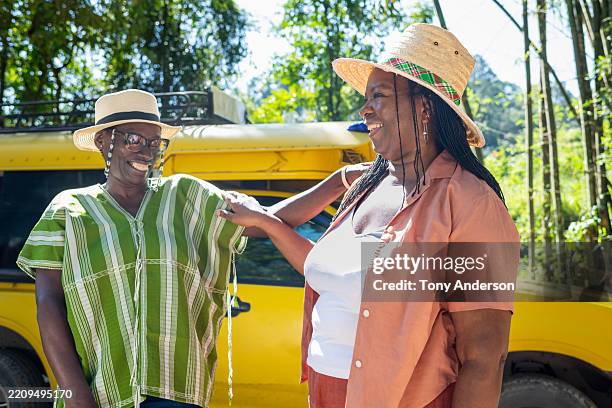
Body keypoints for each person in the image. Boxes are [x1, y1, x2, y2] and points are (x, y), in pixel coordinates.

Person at [218, 23, 520, 408]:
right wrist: (273, 218)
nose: (365, 108)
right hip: (327, 391)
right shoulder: (365, 188)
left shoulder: (469, 204)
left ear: (423, 106)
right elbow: (330, 272)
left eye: (378, 95)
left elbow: (483, 358)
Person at [16, 89, 367, 408]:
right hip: (100, 393)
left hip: (177, 393)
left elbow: (267, 219)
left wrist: (339, 180)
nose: (147, 151)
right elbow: (49, 302)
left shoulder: (186, 197)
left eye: (155, 143)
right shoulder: (68, 210)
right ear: (103, 141)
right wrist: (76, 396)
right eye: (134, 139)